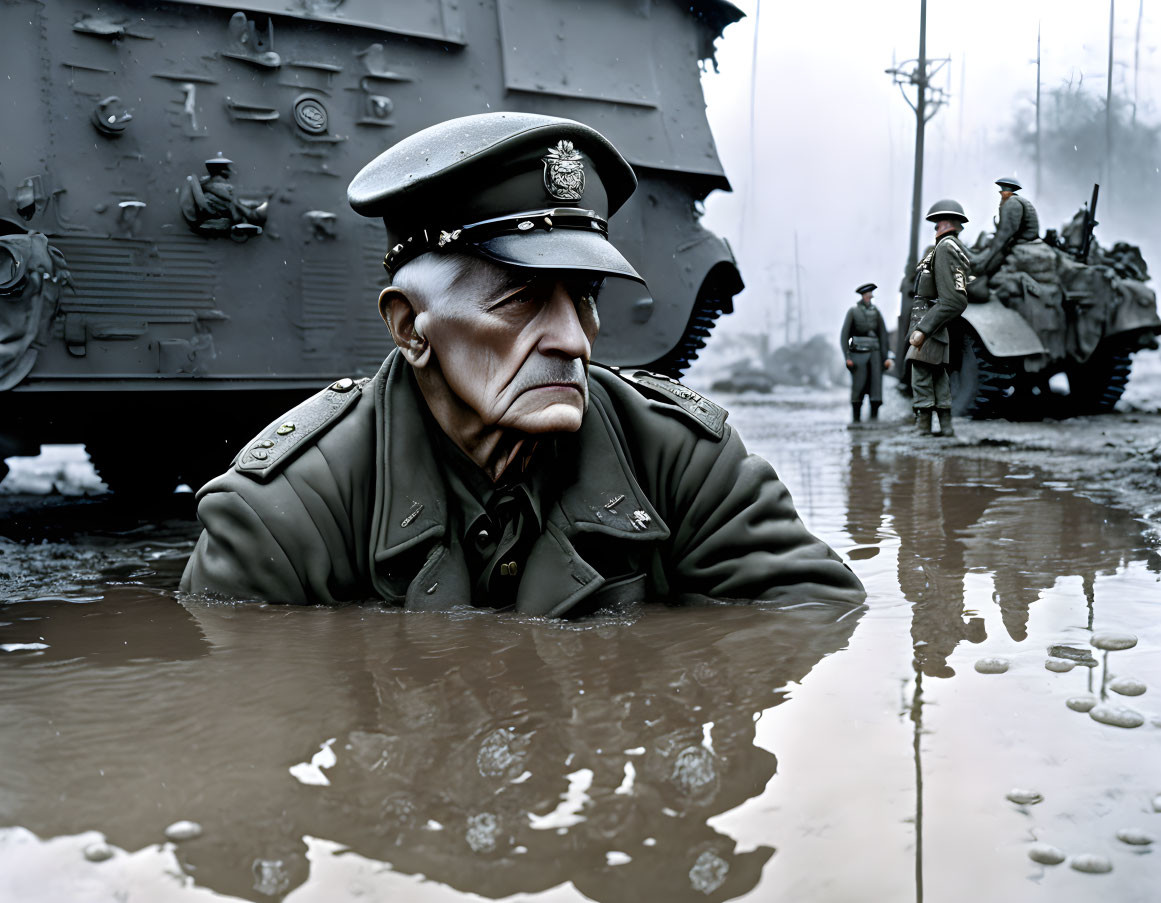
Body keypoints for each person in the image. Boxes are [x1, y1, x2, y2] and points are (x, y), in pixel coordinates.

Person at [180, 112, 864, 614]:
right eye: (520, 300)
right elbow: (239, 718)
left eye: (586, 296)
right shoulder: (283, 510)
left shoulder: (679, 456)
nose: (573, 338)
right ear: (410, 328)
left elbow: (811, 611)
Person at [906, 199, 971, 438]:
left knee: (922, 376)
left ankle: (924, 429)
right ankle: (945, 428)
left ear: (946, 224)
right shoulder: (943, 249)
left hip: (929, 325)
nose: (935, 228)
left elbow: (953, 299)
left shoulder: (945, 248)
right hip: (931, 324)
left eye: (937, 224)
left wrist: (923, 329)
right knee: (936, 375)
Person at [839, 282, 892, 423]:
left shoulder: (876, 312)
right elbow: (845, 336)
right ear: (862, 296)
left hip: (875, 355)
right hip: (858, 357)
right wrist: (847, 356)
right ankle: (856, 419)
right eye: (867, 295)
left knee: (875, 388)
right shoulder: (853, 312)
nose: (869, 297)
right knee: (858, 387)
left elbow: (883, 336)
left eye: (870, 295)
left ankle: (874, 419)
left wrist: (885, 357)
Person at [976, 176, 1039, 275]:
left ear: (1007, 192)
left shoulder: (1012, 203)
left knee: (989, 269)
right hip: (1020, 239)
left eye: (1003, 192)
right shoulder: (1017, 201)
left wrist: (985, 263)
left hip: (1022, 242)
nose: (1001, 194)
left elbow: (1004, 235)